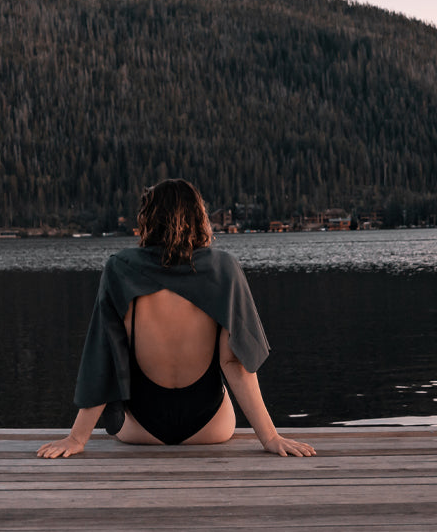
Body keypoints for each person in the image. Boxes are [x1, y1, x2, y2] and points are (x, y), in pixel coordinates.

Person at [37, 179, 316, 458]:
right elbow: (233, 361)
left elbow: (105, 359)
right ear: (199, 217)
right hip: (210, 428)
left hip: (140, 430)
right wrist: (270, 437)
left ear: (148, 219)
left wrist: (76, 438)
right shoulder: (224, 269)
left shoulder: (119, 270)